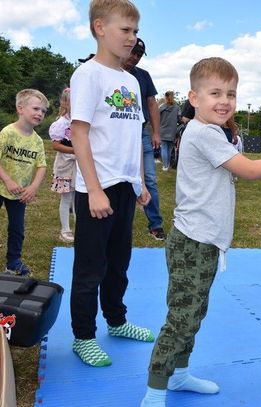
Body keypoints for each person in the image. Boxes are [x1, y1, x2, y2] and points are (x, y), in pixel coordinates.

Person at [140, 57, 261, 407]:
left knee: (193, 315)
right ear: (193, 97)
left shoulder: (211, 131)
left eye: (231, 94)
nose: (224, 100)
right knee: (181, 318)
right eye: (215, 93)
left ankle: (178, 375)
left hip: (203, 242)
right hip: (192, 242)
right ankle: (155, 391)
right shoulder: (204, 133)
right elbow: (249, 171)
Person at [69, 0, 154, 367]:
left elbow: (133, 134)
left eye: (136, 32)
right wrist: (95, 188)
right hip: (96, 189)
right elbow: (79, 133)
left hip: (124, 185)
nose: (132, 39)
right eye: (126, 31)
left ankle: (116, 321)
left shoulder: (131, 81)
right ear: (100, 28)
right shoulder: (87, 75)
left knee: (120, 262)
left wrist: (139, 181)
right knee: (91, 266)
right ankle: (83, 336)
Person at [0, 89, 48, 276]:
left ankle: (13, 263)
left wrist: (34, 187)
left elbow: (42, 166)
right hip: (2, 185)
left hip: (19, 193)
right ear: (20, 108)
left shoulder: (37, 141)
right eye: (36, 108)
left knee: (17, 228)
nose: (40, 113)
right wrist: (8, 180)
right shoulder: (7, 133)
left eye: (43, 111)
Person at [122, 37, 166, 241]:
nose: (135, 57)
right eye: (133, 52)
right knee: (118, 181)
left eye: (139, 55)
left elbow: (152, 105)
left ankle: (155, 224)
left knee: (149, 179)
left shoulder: (143, 76)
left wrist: (156, 132)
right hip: (117, 134)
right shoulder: (110, 71)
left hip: (140, 133)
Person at [49, 88, 76, 243]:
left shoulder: (80, 121)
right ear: (65, 102)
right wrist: (76, 150)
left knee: (78, 198)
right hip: (65, 165)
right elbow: (56, 145)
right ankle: (65, 230)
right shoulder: (61, 123)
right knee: (66, 198)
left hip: (79, 165)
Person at [159, 91, 180, 171]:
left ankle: (165, 166)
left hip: (163, 129)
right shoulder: (177, 107)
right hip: (172, 130)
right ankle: (168, 164)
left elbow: (157, 117)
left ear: (165, 97)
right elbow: (179, 118)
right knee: (169, 148)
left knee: (164, 147)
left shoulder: (162, 107)